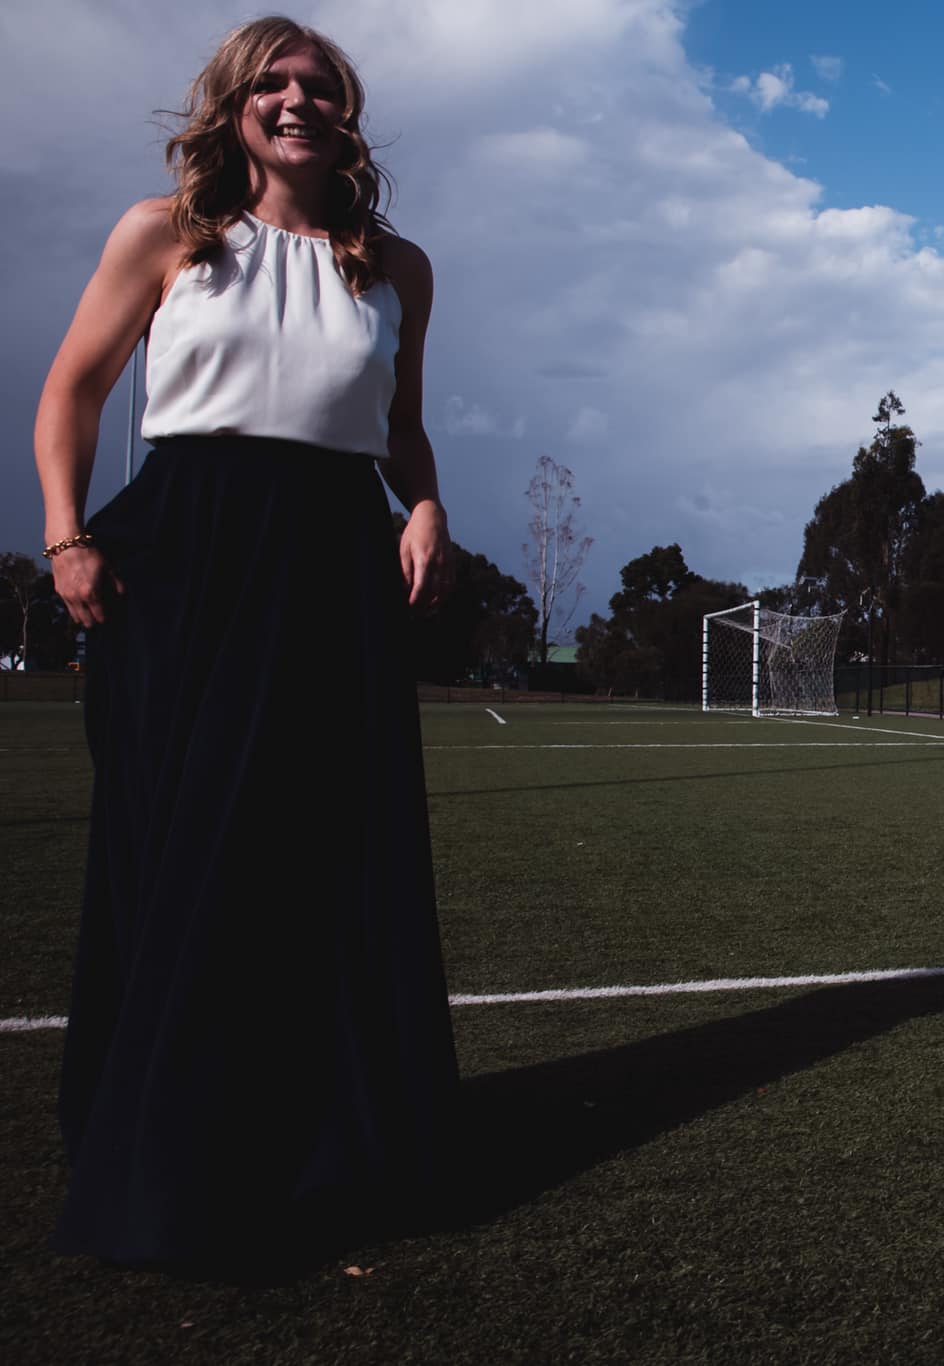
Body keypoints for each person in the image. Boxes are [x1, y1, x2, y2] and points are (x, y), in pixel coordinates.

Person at [33, 16, 459, 1264]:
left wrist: (424, 503)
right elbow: (71, 388)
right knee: (182, 852)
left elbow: (404, 428)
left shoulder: (397, 265)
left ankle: (324, 1153)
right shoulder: (162, 235)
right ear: (231, 108)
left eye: (317, 85)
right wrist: (65, 537)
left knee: (323, 857)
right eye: (269, 84)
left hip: (333, 564)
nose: (293, 101)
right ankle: (162, 1154)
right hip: (186, 558)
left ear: (348, 114)